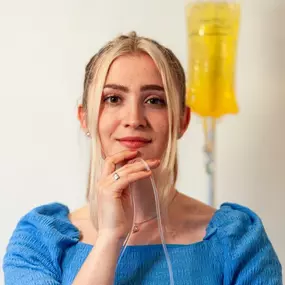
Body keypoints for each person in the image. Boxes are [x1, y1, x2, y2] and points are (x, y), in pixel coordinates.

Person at [3, 32, 282, 285]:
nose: (134, 119)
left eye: (154, 101)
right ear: (84, 118)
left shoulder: (238, 240)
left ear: (182, 121)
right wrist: (110, 237)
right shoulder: (40, 239)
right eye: (113, 98)